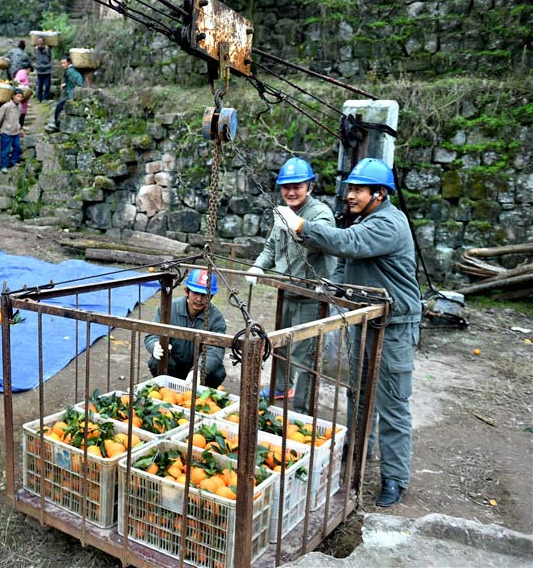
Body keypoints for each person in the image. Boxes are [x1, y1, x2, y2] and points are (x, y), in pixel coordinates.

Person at [273, 157, 422, 508]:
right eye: (349, 189)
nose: (350, 196)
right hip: (364, 320)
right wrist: (327, 289)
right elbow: (344, 265)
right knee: (357, 393)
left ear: (380, 194)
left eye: (357, 190)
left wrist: (300, 226)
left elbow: (348, 244)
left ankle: (395, 478)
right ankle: (356, 453)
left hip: (394, 326)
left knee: (391, 402)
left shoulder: (387, 224)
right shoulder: (365, 219)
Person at [246, 157, 336, 412]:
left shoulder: (319, 213)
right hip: (286, 291)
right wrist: (258, 266)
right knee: (280, 344)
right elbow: (271, 247)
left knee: (305, 353)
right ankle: (280, 386)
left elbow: (324, 240)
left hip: (311, 295)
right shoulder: (281, 212)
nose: (291, 192)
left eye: (297, 186)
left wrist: (297, 226)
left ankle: (302, 408)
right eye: (286, 187)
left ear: (310, 187)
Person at [143, 269, 227, 388]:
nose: (199, 299)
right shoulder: (168, 308)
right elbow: (152, 334)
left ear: (211, 297)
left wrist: (198, 371)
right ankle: (167, 390)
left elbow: (215, 350)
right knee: (156, 361)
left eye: (204, 295)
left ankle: (199, 397)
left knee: (218, 373)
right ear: (186, 291)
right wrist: (155, 344)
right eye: (195, 293)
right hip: (174, 363)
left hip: (198, 365)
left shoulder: (216, 318)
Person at [0, 88, 24, 172]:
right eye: (18, 96)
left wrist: (20, 128)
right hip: (6, 131)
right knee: (5, 150)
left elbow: (18, 118)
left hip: (15, 131)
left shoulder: (20, 107)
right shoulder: (6, 106)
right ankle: (3, 166)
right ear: (13, 96)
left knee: (17, 147)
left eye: (21, 97)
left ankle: (13, 162)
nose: (19, 98)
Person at [49, 56, 83, 132]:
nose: (62, 65)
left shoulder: (70, 71)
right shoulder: (71, 70)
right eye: (61, 63)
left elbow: (77, 79)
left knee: (59, 106)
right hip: (71, 92)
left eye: (64, 63)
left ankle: (57, 124)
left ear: (69, 62)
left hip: (71, 94)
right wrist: (66, 84)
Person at [33, 36, 52, 102]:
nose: (39, 43)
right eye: (38, 41)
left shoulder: (47, 49)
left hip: (47, 70)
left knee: (47, 85)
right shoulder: (35, 49)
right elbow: (35, 58)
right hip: (39, 70)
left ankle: (45, 98)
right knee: (40, 85)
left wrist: (48, 65)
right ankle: (39, 98)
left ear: (44, 42)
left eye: (41, 41)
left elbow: (50, 57)